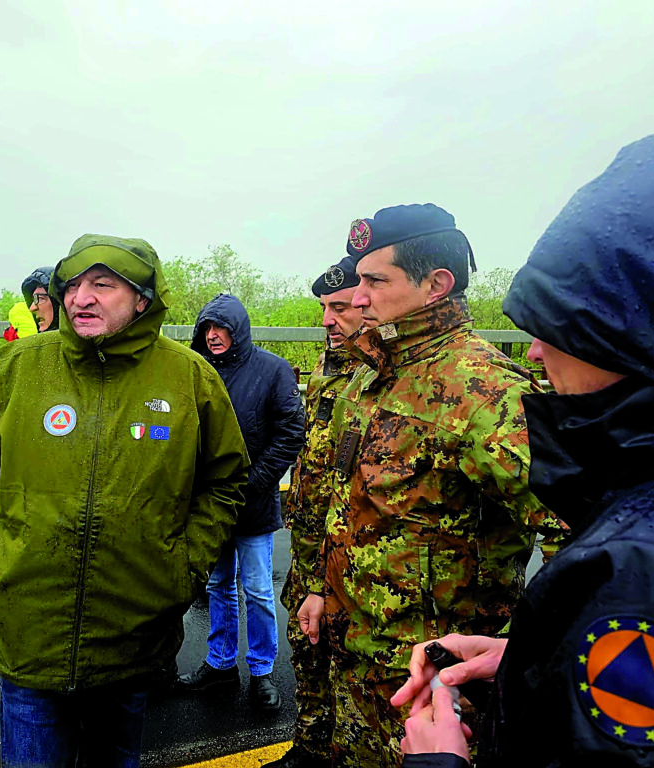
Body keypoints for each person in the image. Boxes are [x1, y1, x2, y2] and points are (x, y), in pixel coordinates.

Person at [392, 130, 654, 766]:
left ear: (639, 332)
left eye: (557, 327)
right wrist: (538, 663)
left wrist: (438, 763)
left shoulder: (649, 571)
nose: (536, 353)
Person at [0, 234, 249, 767]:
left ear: (143, 301)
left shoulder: (189, 377)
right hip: (28, 630)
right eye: (73, 285)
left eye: (103, 285)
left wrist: (182, 567)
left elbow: (225, 479)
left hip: (132, 637)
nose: (81, 297)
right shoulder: (18, 366)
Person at [298, 204, 569, 766]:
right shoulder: (370, 377)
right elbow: (347, 506)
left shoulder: (488, 393)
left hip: (434, 689)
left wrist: (529, 656)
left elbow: (579, 536)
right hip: (356, 668)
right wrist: (322, 586)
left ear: (436, 285)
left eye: (375, 280)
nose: (361, 296)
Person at [177, 293, 305, 710]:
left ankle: (263, 671)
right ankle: (220, 663)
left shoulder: (272, 370)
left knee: (258, 590)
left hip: (252, 503)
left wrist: (253, 483)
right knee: (217, 586)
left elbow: (289, 434)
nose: (213, 337)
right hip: (211, 507)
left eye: (221, 329)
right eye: (207, 329)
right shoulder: (195, 371)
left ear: (239, 331)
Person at [264, 257, 364, 767]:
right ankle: (308, 749)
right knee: (308, 656)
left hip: (345, 558)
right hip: (308, 551)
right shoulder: (330, 365)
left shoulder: (381, 373)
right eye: (324, 307)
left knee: (350, 681)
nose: (327, 321)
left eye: (340, 307)